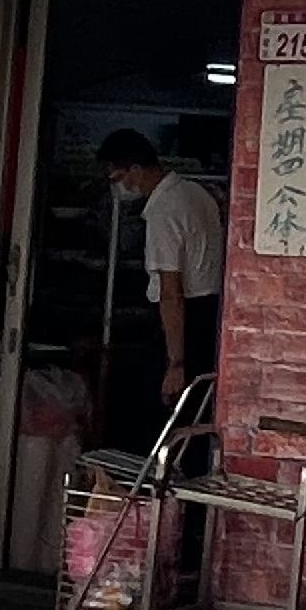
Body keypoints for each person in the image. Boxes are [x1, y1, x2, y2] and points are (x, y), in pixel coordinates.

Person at [98, 129, 225, 415]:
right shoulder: (194, 192)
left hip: (185, 321)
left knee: (170, 414)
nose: (117, 186)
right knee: (198, 415)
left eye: (117, 178)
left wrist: (175, 363)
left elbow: (171, 292)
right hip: (210, 312)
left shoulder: (163, 210)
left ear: (135, 169)